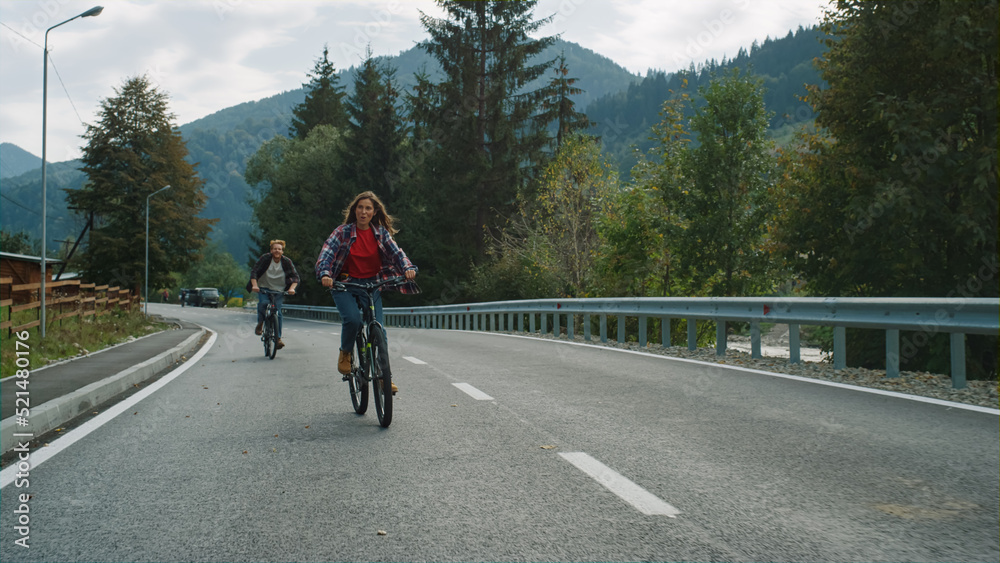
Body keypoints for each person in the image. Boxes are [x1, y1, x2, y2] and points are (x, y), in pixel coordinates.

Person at [315, 191, 419, 393]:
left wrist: (407, 268)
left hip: (371, 284)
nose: (363, 212)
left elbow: (397, 253)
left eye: (368, 208)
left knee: (379, 328)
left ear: (374, 212)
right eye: (360, 207)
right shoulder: (342, 232)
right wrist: (325, 274)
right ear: (355, 210)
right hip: (344, 284)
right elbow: (326, 254)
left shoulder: (380, 233)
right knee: (353, 320)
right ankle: (346, 352)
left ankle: (383, 377)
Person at [248, 239, 300, 349]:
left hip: (279, 290)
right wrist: (255, 286)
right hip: (263, 287)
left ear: (282, 251)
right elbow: (254, 272)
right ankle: (260, 323)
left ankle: (278, 338)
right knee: (263, 303)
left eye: (279, 249)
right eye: (275, 249)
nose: (277, 251)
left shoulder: (286, 261)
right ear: (271, 250)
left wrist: (292, 289)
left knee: (278, 312)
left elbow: (295, 277)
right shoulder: (265, 259)